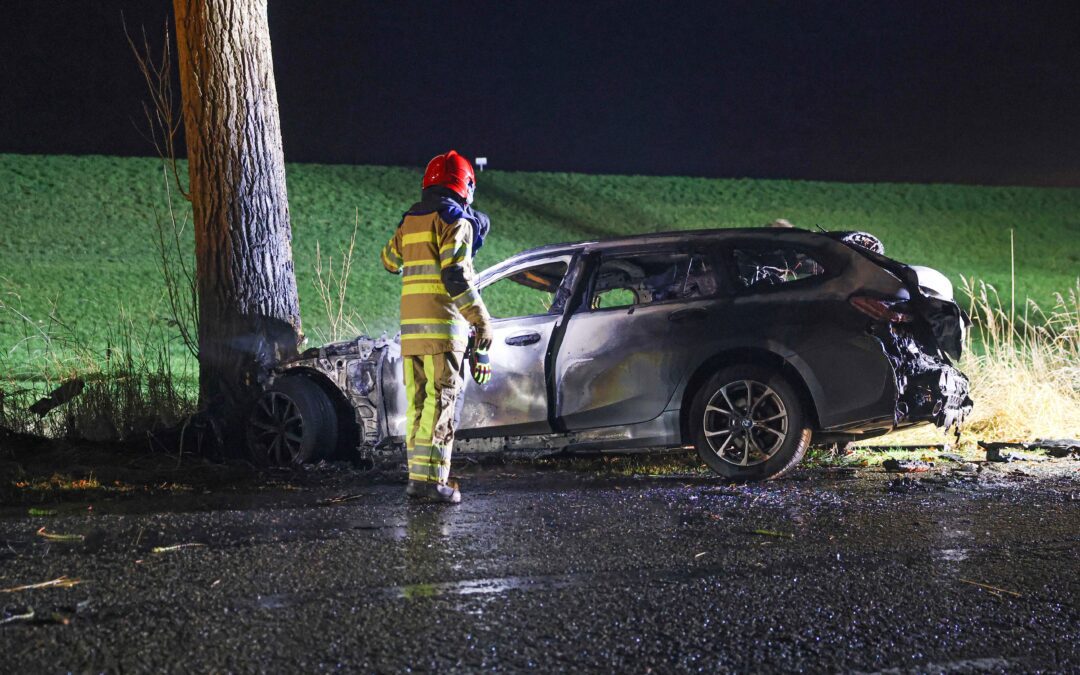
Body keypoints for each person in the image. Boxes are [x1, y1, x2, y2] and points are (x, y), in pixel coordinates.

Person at [380, 150, 494, 503]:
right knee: (441, 407)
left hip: (412, 335)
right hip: (444, 331)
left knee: (418, 408)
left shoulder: (409, 221)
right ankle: (433, 484)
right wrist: (481, 321)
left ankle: (419, 479)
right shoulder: (455, 220)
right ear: (466, 185)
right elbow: (455, 275)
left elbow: (389, 261)